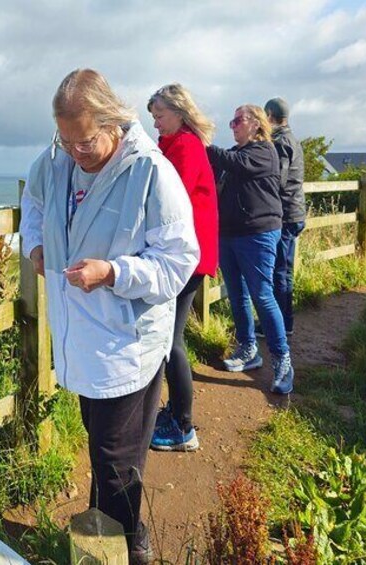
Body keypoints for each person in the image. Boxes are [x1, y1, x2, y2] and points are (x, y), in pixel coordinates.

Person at [20, 69, 199, 564]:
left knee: (115, 464)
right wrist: (35, 244)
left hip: (127, 344)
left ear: (112, 120)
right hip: (81, 340)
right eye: (66, 139)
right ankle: (106, 545)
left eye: (85, 140)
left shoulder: (150, 172)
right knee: (105, 454)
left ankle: (124, 549)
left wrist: (114, 273)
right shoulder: (56, 160)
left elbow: (178, 259)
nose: (76, 151)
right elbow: (32, 202)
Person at [146, 84, 218, 452]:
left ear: (178, 111)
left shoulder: (186, 146)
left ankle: (183, 427)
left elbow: (170, 201)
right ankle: (175, 412)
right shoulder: (174, 145)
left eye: (159, 115)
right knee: (168, 337)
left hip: (187, 257)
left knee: (171, 340)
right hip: (186, 255)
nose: (155, 123)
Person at [207, 105, 295, 395]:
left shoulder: (264, 151)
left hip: (257, 234)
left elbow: (235, 163)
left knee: (262, 294)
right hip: (229, 234)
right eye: (230, 121)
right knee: (237, 293)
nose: (232, 125)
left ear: (257, 124)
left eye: (238, 120)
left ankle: (282, 359)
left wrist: (203, 143)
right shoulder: (236, 153)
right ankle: (248, 348)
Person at [256, 97, 305, 338]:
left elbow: (279, 179)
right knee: (284, 271)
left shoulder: (279, 142)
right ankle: (285, 321)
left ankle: (279, 325)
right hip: (295, 211)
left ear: (269, 116)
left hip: (285, 214)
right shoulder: (293, 139)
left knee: (279, 271)